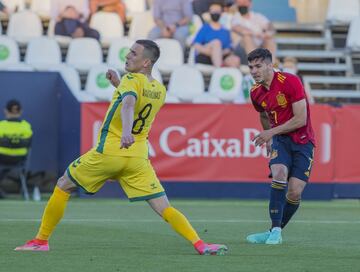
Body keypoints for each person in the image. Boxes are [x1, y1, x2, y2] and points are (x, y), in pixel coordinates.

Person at [15, 39, 228, 256]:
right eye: (129, 52)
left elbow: (128, 104)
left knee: (63, 185)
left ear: (146, 62)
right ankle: (200, 244)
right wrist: (118, 84)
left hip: (111, 151)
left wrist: (126, 131)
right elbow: (135, 101)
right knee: (164, 207)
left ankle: (41, 241)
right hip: (137, 158)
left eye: (134, 54)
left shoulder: (131, 79)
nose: (128, 56)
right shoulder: (159, 89)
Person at [246, 48, 315, 245]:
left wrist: (270, 132)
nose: (254, 71)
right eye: (251, 67)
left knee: (294, 191)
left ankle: (273, 231)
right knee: (278, 173)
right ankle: (276, 230)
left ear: (270, 65)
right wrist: (270, 138)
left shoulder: (290, 81)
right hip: (280, 140)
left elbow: (301, 119)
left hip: (303, 140)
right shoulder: (255, 92)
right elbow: (262, 114)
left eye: (258, 66)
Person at [0, 100, 33, 198]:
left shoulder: (1, 126)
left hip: (1, 159)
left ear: (6, 111)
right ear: (20, 111)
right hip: (19, 161)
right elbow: (29, 145)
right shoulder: (26, 126)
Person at [193, 2, 240, 68]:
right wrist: (212, 52)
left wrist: (218, 53)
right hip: (205, 56)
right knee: (216, 43)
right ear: (209, 12)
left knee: (235, 60)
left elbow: (228, 48)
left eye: (217, 11)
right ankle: (219, 71)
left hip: (222, 56)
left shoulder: (225, 31)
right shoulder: (205, 28)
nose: (215, 13)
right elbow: (196, 45)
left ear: (221, 13)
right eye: (213, 11)